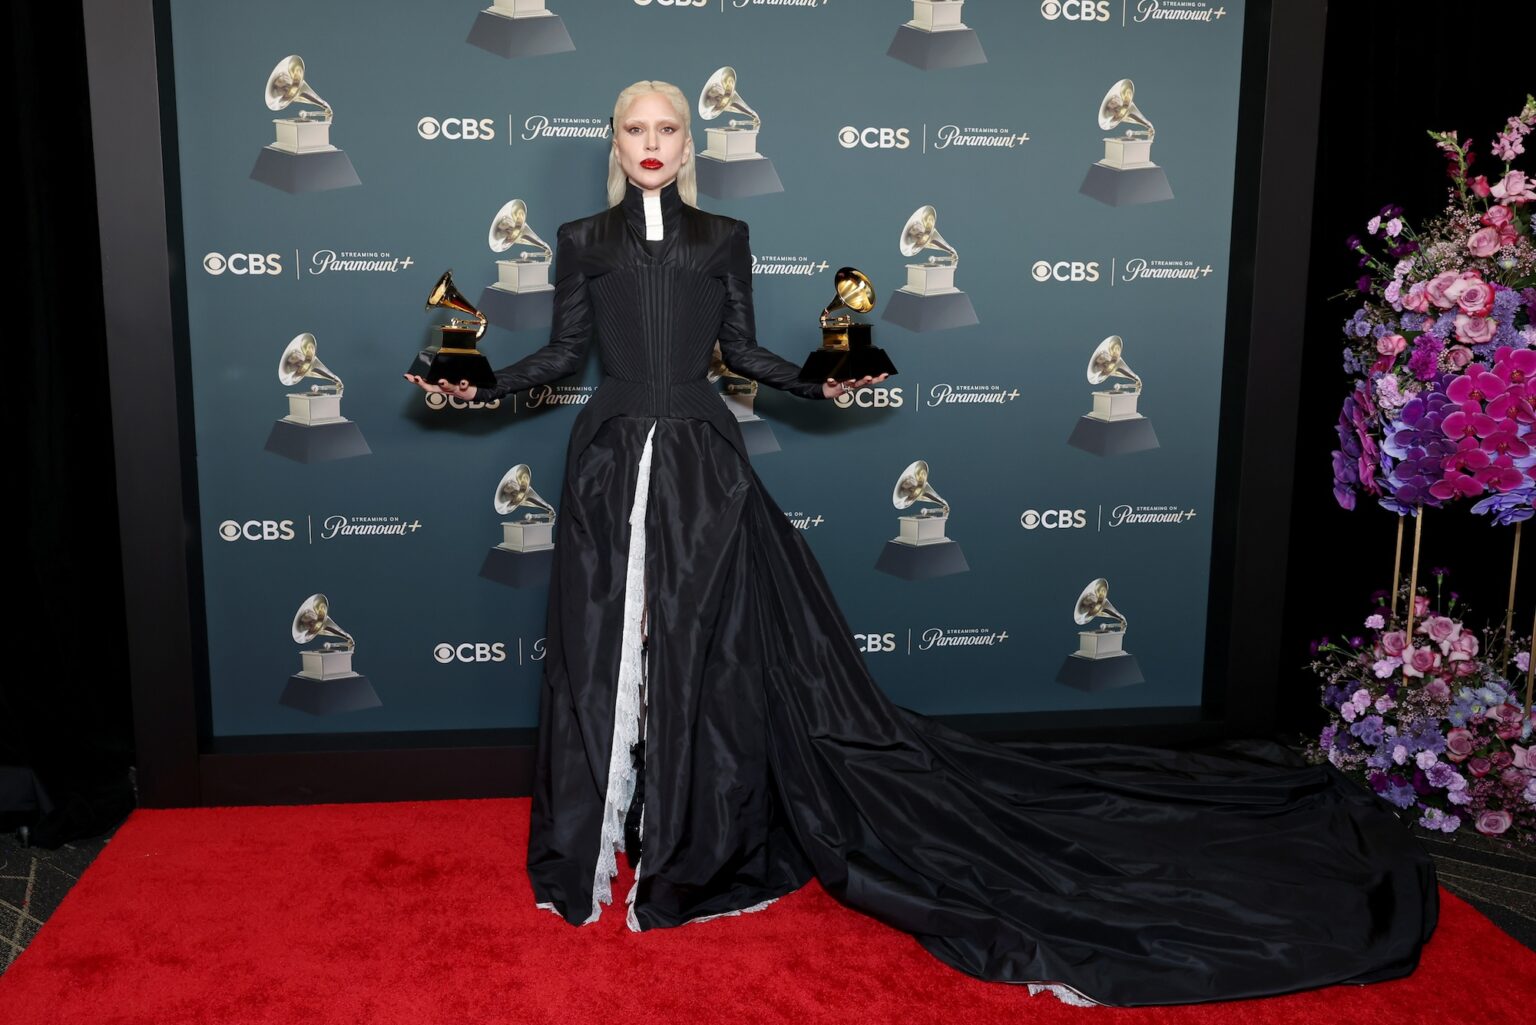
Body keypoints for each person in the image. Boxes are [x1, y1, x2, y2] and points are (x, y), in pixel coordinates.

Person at [405, 80, 1438, 1008]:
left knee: (708, 661)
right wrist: (475, 383)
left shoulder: (723, 235)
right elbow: (563, 351)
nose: (651, 140)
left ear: (689, 140)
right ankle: (592, 842)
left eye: (667, 126)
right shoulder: (583, 236)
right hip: (604, 462)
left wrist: (824, 375)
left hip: (704, 469)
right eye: (635, 125)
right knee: (599, 653)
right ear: (615, 137)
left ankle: (693, 847)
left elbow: (744, 352)